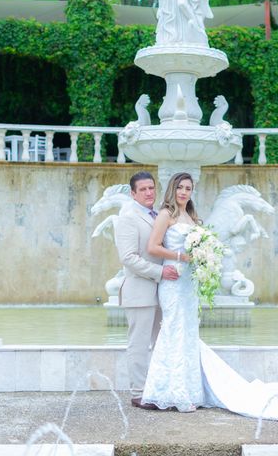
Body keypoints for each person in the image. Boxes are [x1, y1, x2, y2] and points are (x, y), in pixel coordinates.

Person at [141, 172, 278, 421]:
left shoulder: (191, 217)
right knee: (173, 330)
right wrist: (183, 257)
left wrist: (203, 257)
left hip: (189, 285)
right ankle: (168, 393)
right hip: (173, 281)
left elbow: (199, 246)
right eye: (180, 187)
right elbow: (153, 246)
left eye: (188, 188)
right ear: (172, 189)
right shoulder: (165, 215)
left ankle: (188, 391)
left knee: (188, 333)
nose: (183, 192)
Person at [114, 171, 179, 410]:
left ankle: (160, 388)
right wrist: (161, 273)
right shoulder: (128, 217)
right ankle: (138, 393)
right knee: (139, 345)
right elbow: (128, 258)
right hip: (139, 292)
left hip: (163, 292)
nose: (149, 193)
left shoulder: (159, 214)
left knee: (162, 343)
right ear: (133, 193)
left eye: (151, 188)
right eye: (143, 189)